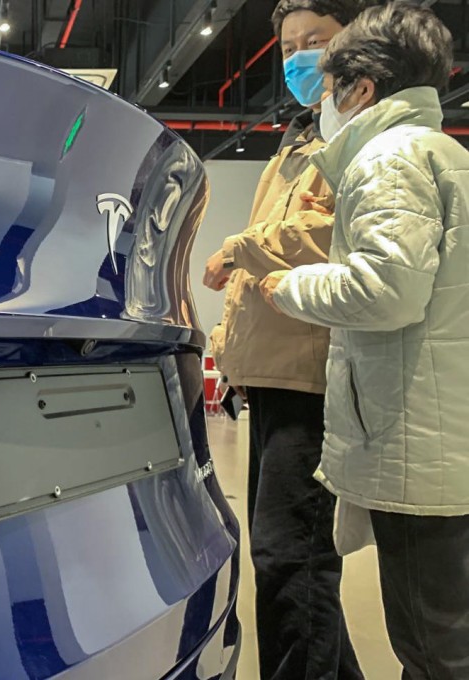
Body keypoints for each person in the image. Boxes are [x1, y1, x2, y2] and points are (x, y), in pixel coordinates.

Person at [261, 3, 469, 677]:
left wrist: (286, 289)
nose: (322, 99)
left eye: (327, 84)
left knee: (430, 647)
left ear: (362, 88)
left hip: (416, 440)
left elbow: (387, 290)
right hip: (442, 434)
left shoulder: (389, 158)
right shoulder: (443, 153)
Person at [202, 2, 371, 678]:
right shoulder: (302, 138)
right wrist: (224, 345)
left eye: (318, 42)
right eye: (290, 45)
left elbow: (333, 236)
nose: (302, 57)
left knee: (289, 560)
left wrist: (240, 247)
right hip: (273, 373)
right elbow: (262, 267)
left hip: (313, 374)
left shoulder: (359, 137)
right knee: (290, 558)